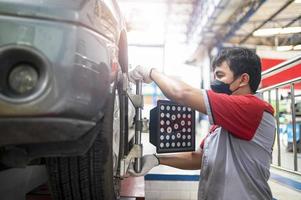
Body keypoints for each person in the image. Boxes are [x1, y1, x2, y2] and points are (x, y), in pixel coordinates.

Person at [128, 47, 276, 200]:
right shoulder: (222, 123)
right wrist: (157, 159)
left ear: (243, 79)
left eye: (220, 75)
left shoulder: (252, 108)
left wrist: (151, 72)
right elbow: (198, 157)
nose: (215, 82)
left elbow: (181, 93)